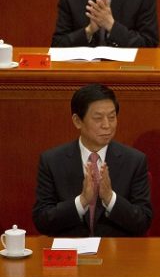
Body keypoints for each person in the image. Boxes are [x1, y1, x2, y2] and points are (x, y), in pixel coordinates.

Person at [33, 84, 153, 237]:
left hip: (117, 248)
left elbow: (143, 222)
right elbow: (42, 221)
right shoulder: (52, 161)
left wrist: (110, 198)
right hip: (70, 247)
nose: (107, 125)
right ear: (77, 121)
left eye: (112, 117)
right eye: (98, 118)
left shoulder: (134, 161)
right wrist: (82, 201)